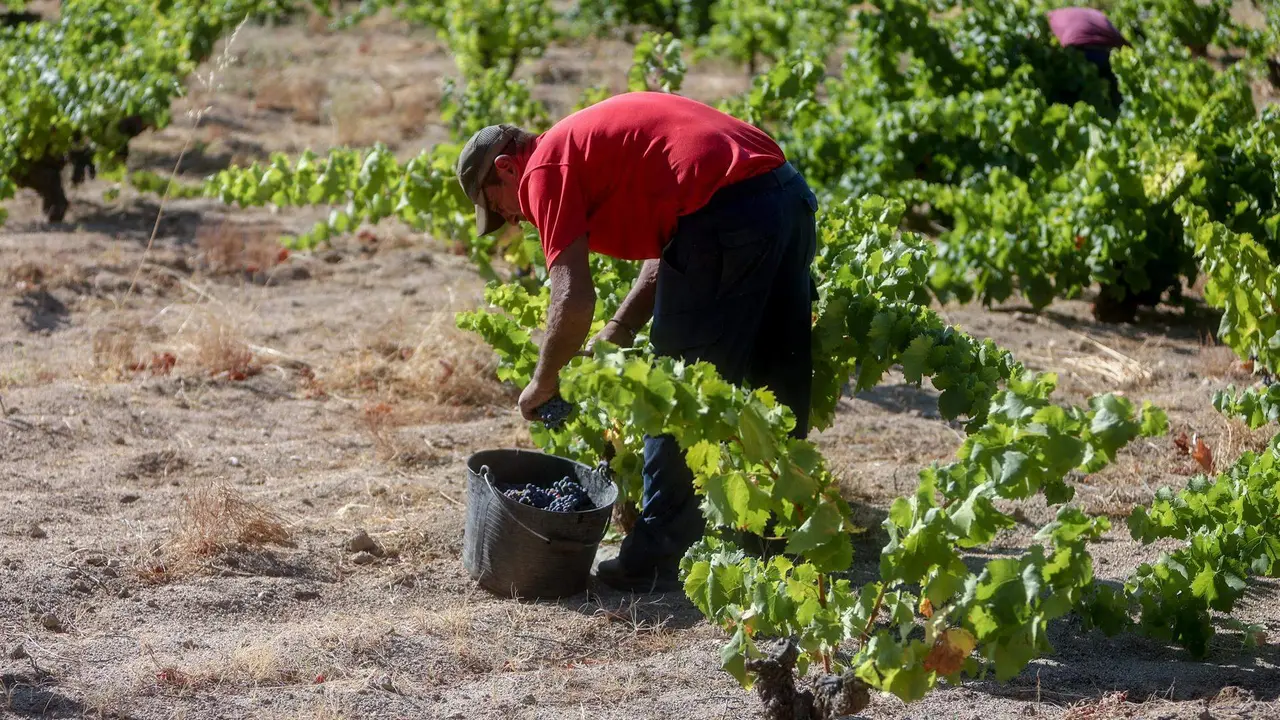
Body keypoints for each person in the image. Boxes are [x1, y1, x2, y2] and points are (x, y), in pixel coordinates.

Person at [455, 92, 819, 592]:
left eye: (500, 208)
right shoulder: (585, 146)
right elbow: (672, 235)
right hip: (786, 196)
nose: (514, 222)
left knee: (673, 388)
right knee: (779, 371)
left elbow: (573, 294)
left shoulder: (543, 168)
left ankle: (656, 557)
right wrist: (621, 326)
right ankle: (777, 536)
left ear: (506, 167)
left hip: (727, 216)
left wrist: (544, 380)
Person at [1046, 7, 1130, 107]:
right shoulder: (1095, 14)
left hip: (1082, 50)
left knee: (1074, 93)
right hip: (1108, 51)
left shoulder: (1053, 17)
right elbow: (1120, 39)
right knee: (1114, 92)